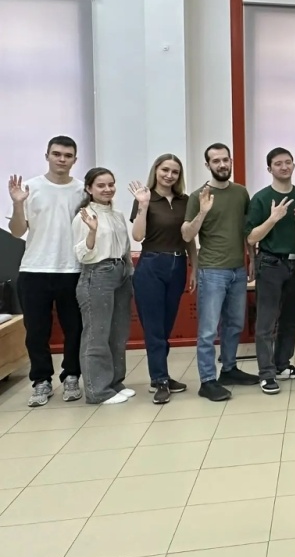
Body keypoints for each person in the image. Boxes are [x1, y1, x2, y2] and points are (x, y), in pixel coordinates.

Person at [7, 136, 86, 407]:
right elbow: (17, 231)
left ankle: (72, 376)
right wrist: (18, 204)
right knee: (36, 331)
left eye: (67, 155)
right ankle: (41, 380)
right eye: (57, 154)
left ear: (75, 159)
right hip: (34, 269)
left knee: (74, 328)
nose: (62, 159)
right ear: (47, 156)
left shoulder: (82, 191)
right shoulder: (30, 188)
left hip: (72, 269)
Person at [182, 143, 256, 402]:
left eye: (225, 159)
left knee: (235, 324)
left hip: (238, 269)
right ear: (208, 165)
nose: (222, 164)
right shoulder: (197, 196)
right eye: (216, 161)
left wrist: (252, 259)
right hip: (212, 271)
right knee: (208, 330)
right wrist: (202, 212)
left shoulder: (240, 192)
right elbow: (187, 234)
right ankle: (207, 381)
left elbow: (247, 229)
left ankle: (229, 369)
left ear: (231, 161)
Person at [129, 154, 197, 404]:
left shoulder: (185, 201)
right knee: (154, 327)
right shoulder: (144, 198)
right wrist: (143, 205)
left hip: (178, 265)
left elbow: (189, 238)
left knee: (166, 326)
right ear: (156, 170)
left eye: (175, 172)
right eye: (165, 170)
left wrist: (194, 267)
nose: (169, 175)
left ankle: (161, 375)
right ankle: (159, 379)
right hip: (151, 265)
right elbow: (138, 236)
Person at [246, 148, 295, 394]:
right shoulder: (261, 198)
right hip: (271, 264)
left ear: (293, 165)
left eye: (288, 162)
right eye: (278, 163)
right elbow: (251, 237)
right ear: (269, 168)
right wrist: (273, 218)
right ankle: (266, 373)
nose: (284, 167)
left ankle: (283, 365)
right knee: (266, 321)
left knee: (290, 320)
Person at [72, 168, 133, 405]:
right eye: (101, 185)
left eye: (111, 184)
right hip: (97, 273)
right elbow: (82, 253)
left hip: (121, 272)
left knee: (118, 333)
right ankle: (97, 390)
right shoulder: (84, 216)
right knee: (96, 334)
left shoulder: (117, 214)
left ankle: (114, 383)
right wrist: (92, 232)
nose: (107, 189)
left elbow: (125, 247)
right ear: (89, 188)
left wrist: (129, 271)